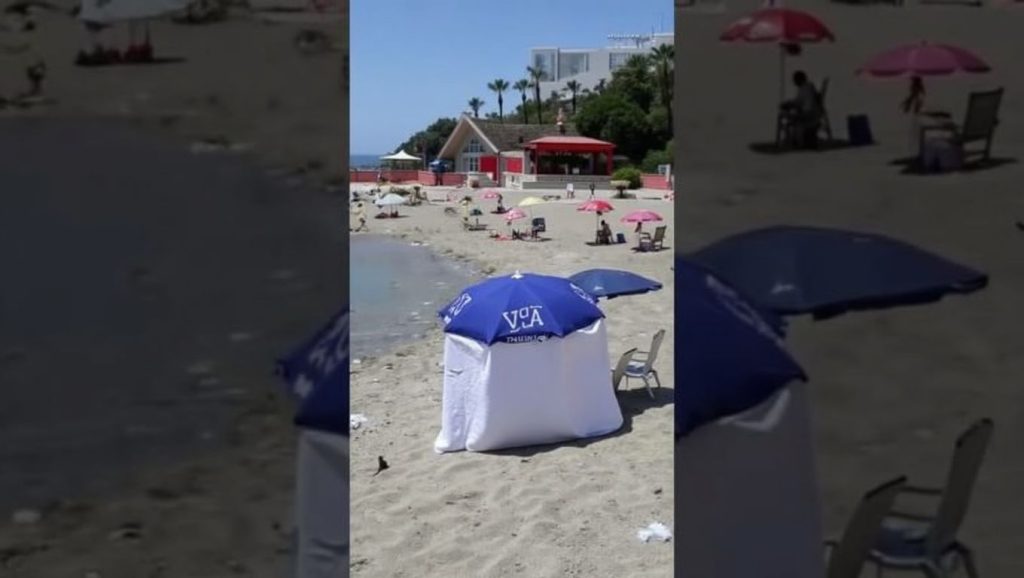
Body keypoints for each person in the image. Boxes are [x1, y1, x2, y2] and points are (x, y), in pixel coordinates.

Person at [779, 70, 822, 148]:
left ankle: (795, 141)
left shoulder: (805, 89)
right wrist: (790, 104)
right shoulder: (806, 87)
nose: (794, 82)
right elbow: (799, 101)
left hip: (808, 115)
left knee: (788, 116)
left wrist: (789, 105)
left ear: (799, 80)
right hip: (810, 113)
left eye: (795, 80)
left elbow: (801, 103)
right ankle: (793, 139)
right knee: (790, 116)